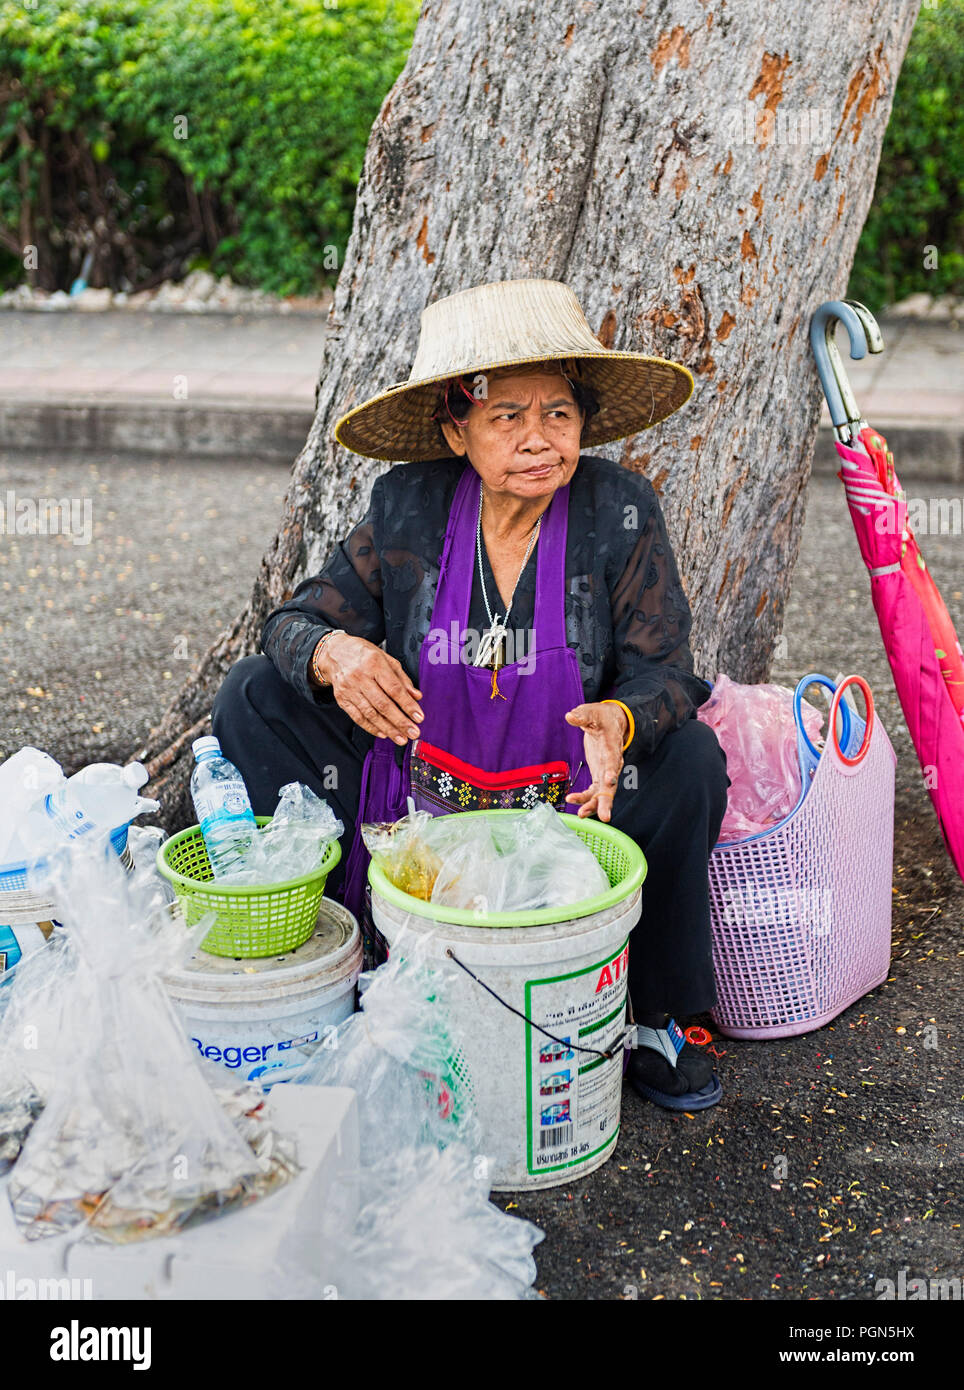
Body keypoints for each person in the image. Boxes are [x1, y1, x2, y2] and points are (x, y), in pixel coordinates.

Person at [212, 278, 731, 1110]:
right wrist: (337, 655)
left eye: (558, 414)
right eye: (506, 416)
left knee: (692, 760)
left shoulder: (617, 510)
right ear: (457, 430)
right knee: (250, 695)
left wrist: (622, 717)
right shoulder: (408, 505)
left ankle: (649, 1015)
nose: (538, 439)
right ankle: (348, 944)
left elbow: (669, 672)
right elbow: (295, 622)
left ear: (583, 424)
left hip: (571, 807)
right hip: (417, 802)